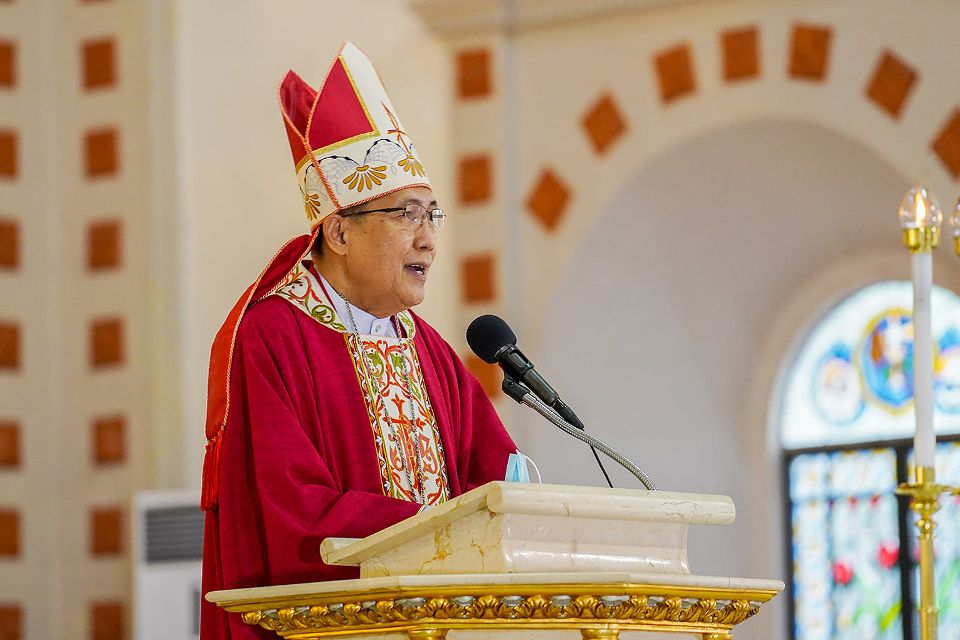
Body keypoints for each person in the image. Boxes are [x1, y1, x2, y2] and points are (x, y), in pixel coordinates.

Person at [198, 42, 518, 639]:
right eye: (405, 215)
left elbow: (497, 485)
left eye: (432, 216)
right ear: (339, 231)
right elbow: (289, 516)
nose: (427, 240)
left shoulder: (430, 351)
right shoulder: (274, 336)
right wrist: (433, 527)